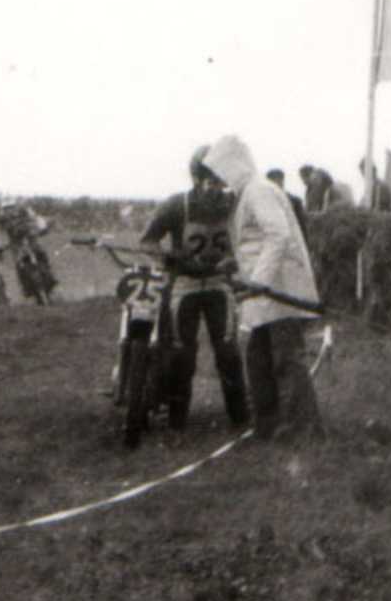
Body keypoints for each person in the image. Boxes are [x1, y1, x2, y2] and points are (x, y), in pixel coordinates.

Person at [203, 136, 324, 441]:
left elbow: (278, 235)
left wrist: (260, 280)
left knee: (285, 359)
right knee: (258, 359)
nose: (218, 182)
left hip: (279, 289)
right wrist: (234, 263)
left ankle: (303, 428)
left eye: (220, 173)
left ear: (233, 165)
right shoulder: (247, 194)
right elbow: (252, 244)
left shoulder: (259, 191)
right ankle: (268, 425)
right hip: (262, 294)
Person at [139, 146, 249, 431]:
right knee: (180, 355)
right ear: (197, 179)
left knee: (227, 351)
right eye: (211, 182)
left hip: (217, 285)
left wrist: (235, 260)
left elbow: (249, 238)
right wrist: (167, 258)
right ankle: (177, 422)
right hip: (184, 286)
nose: (217, 191)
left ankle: (241, 420)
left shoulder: (233, 205)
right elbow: (148, 240)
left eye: (221, 183)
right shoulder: (177, 205)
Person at [0, 197, 57, 289]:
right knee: (19, 264)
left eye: (11, 207)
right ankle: (25, 286)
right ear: (3, 209)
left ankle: (50, 274)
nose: (9, 210)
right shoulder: (1, 219)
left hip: (30, 236)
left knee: (41, 252)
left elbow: (36, 218)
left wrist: (42, 227)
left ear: (14, 206)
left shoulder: (24, 210)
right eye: (6, 208)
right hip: (16, 242)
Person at [266, 169, 309, 245]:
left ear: (282, 181)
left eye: (278, 181)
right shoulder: (265, 203)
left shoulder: (295, 201)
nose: (277, 184)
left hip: (293, 242)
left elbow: (302, 226)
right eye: (274, 181)